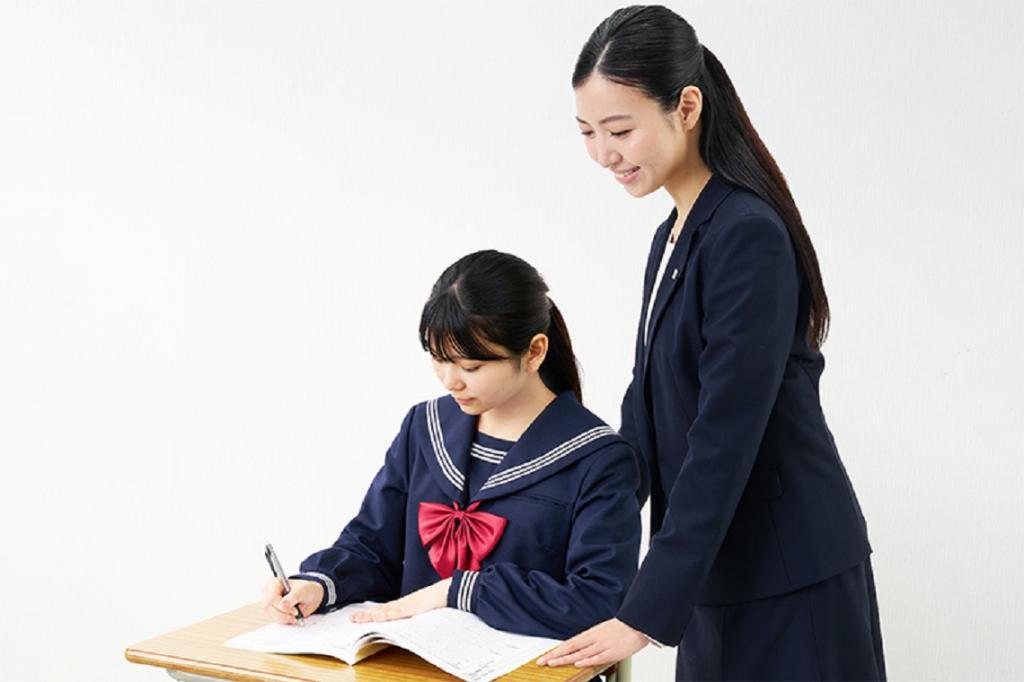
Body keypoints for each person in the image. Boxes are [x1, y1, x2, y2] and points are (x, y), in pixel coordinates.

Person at [538, 6, 886, 680]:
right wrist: (564, 532)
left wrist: (642, 613)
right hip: (714, 577)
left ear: (687, 106)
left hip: (789, 577)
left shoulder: (745, 233)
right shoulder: (671, 237)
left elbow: (722, 437)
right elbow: (644, 415)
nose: (603, 154)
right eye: (586, 132)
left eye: (620, 129)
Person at [260, 249, 641, 640]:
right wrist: (319, 585)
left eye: (471, 367)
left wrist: (460, 591)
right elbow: (373, 545)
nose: (450, 380)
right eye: (439, 359)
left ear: (534, 352)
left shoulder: (598, 460)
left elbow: (599, 602)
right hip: (412, 667)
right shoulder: (424, 429)